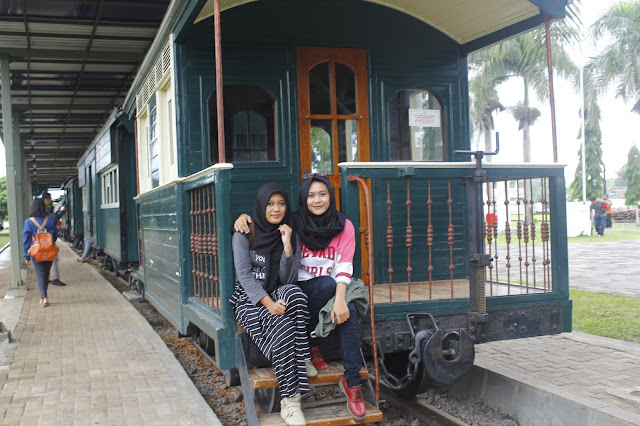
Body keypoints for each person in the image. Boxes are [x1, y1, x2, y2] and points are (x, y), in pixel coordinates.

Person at [235, 174, 367, 421]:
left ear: (331, 195)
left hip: (326, 287)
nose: (317, 200)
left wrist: (340, 300)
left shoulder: (339, 226)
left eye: (322, 194)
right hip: (290, 292)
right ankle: (302, 363)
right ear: (303, 200)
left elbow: (342, 266)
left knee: (348, 308)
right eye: (311, 195)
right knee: (303, 294)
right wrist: (242, 218)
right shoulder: (292, 223)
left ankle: (353, 383)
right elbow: (250, 271)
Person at [229, 183, 314, 426]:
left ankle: (300, 356)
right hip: (249, 299)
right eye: (270, 204)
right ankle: (291, 401)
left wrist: (287, 247)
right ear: (261, 205)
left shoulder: (289, 232)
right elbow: (244, 276)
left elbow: (288, 280)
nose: (276, 209)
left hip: (275, 291)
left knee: (296, 295)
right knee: (282, 326)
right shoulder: (243, 233)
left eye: (281, 203)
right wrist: (268, 304)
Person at [23, 198, 58, 307]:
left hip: (36, 251)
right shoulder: (51, 219)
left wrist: (26, 256)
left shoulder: (29, 222)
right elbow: (55, 236)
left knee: (40, 273)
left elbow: (26, 240)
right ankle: (44, 296)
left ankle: (43, 297)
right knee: (46, 273)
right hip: (49, 250)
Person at [42, 192, 66, 286]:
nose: (51, 201)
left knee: (46, 259)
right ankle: (55, 279)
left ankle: (46, 278)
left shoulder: (40, 210)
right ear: (46, 199)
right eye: (50, 199)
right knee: (53, 258)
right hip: (48, 239)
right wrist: (62, 212)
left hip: (42, 239)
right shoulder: (44, 210)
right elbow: (53, 219)